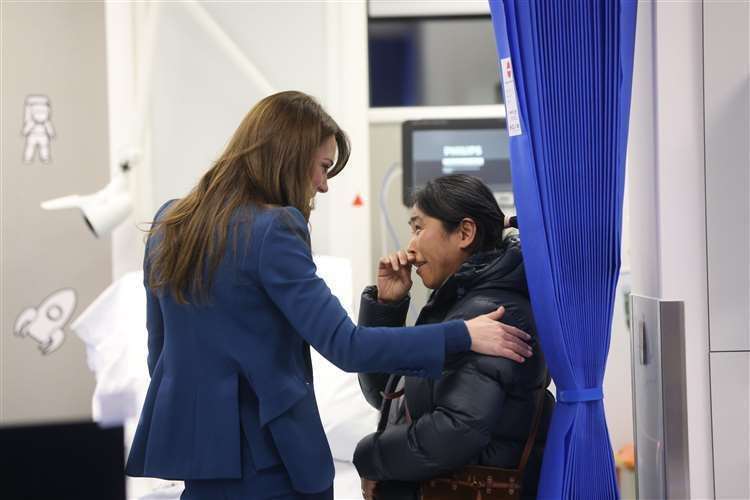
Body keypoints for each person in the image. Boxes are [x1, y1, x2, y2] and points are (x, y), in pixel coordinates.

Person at [124, 91, 533, 500]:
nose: (322, 184)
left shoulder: (168, 223)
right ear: (288, 156)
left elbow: (159, 351)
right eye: (322, 168)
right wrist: (461, 335)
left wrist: (387, 308)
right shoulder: (274, 229)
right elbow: (346, 346)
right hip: (275, 461)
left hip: (203, 463)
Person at [354, 174, 554, 500]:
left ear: (464, 233)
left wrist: (370, 456)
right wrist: (386, 307)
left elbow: (456, 431)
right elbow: (387, 395)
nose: (410, 245)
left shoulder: (492, 312)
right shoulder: (459, 305)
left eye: (419, 228)